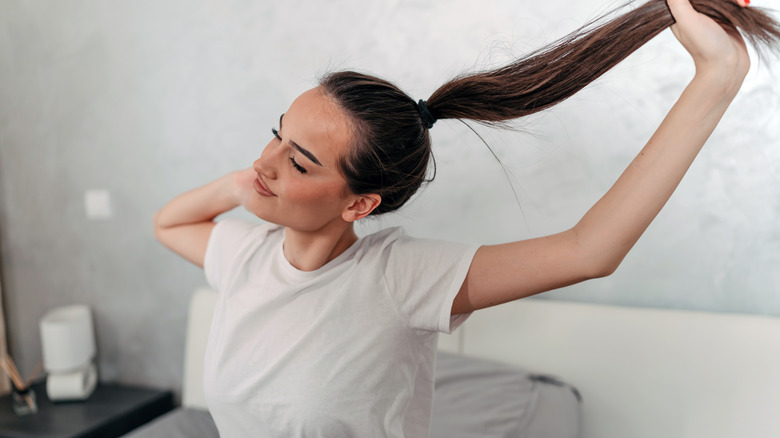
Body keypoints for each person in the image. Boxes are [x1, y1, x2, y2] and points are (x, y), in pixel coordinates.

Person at [154, 0, 777, 436]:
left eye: (301, 161)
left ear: (359, 204)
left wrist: (716, 77)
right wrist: (240, 185)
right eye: (275, 135)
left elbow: (590, 251)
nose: (266, 161)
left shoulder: (399, 277)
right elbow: (170, 225)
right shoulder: (247, 259)